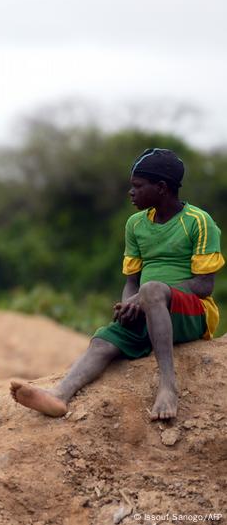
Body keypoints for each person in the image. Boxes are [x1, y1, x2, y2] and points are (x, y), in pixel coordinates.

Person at [11, 148, 223, 421]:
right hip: (148, 308)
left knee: (152, 289)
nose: (130, 193)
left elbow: (205, 285)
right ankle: (59, 395)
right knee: (103, 340)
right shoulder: (135, 224)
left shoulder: (199, 222)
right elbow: (132, 281)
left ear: (161, 188)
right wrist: (129, 304)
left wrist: (147, 296)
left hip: (193, 313)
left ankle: (168, 386)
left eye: (137, 186)